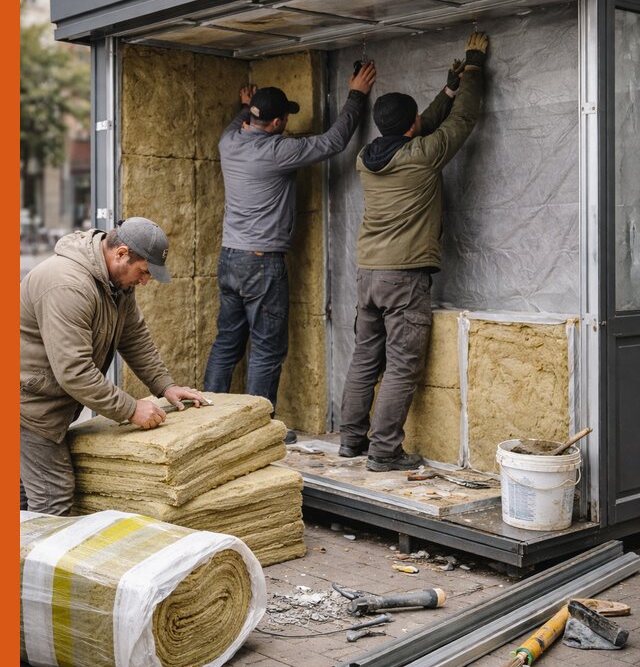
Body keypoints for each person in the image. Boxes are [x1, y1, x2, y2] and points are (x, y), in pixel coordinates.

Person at [339, 32, 489, 472]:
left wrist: (446, 88)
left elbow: (421, 122)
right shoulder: (424, 155)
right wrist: (474, 66)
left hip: (369, 274)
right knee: (403, 366)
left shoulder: (367, 158)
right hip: (405, 278)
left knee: (366, 357)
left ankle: (352, 440)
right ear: (411, 126)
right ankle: (384, 452)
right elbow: (464, 119)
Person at [204, 62, 377, 443]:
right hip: (261, 262)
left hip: (230, 257)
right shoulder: (278, 151)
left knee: (227, 341)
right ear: (279, 122)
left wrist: (246, 106)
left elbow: (239, 123)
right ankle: (257, 429)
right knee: (266, 347)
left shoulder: (229, 141)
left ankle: (205, 420)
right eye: (285, 118)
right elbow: (333, 142)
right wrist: (356, 96)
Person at [20, 217, 209, 515]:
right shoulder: (68, 285)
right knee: (52, 500)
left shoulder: (116, 283)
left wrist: (165, 386)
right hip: (27, 406)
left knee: (23, 500)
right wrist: (130, 409)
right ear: (121, 253)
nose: (145, 281)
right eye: (143, 272)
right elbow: (75, 371)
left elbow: (133, 337)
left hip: (40, 396)